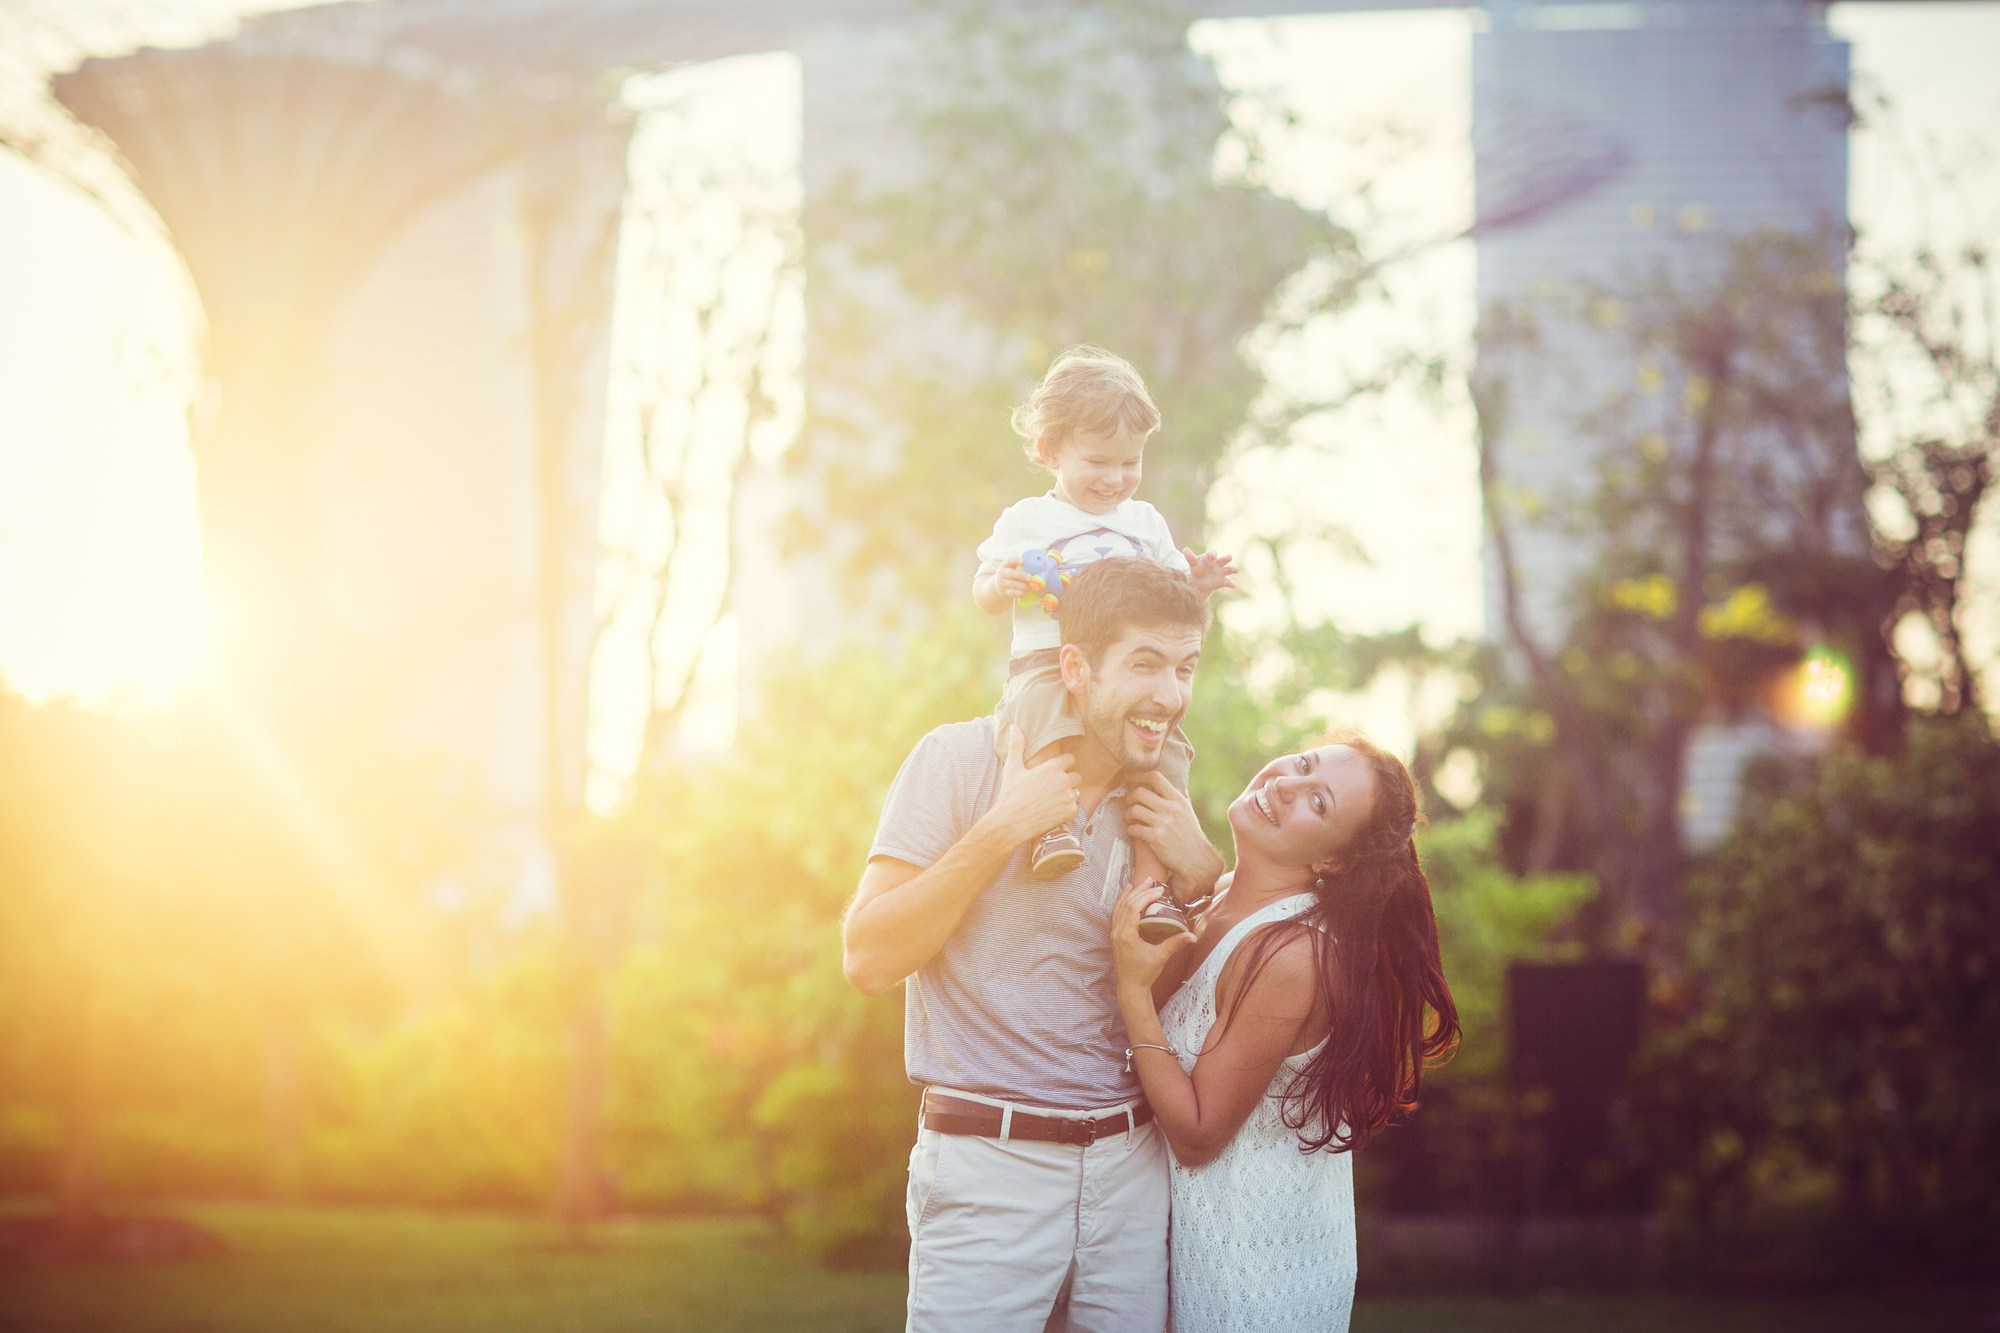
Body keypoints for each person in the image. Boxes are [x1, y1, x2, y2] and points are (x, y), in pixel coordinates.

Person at [844, 557, 1225, 1333]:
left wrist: (1199, 881)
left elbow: (1164, 994)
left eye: (1185, 667)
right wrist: (1002, 828)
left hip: (1129, 1166)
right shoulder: (957, 760)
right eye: (1146, 664)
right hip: (989, 1163)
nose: (1171, 696)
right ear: (1075, 667)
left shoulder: (1161, 797)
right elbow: (869, 958)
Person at [1109, 734, 1461, 1333]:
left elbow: (1198, 1135)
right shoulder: (1217, 900)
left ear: (1333, 862)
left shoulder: (1291, 953)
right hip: (1185, 1249)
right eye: (1304, 763)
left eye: (1318, 802)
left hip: (1251, 1281)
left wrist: (1133, 992)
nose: (1287, 784)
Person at [972, 345, 1234, 888]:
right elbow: (983, 592)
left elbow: (1172, 603)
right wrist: (1001, 584)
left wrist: (1199, 587)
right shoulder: (1030, 520)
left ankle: (1153, 884)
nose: (1115, 478)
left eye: (1130, 462)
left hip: (1128, 676)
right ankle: (1049, 828)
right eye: (1097, 462)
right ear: (1049, 451)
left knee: (1163, 764)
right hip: (1045, 664)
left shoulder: (1143, 523)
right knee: (1039, 729)